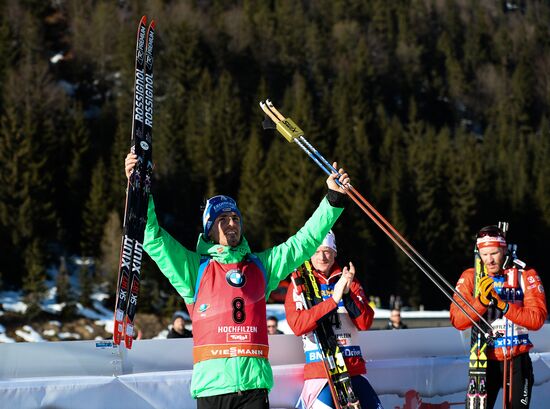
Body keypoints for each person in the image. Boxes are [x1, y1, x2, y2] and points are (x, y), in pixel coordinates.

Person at [125, 153, 350, 409]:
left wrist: (332, 200)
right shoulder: (193, 269)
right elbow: (153, 238)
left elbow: (304, 242)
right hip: (212, 388)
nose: (231, 223)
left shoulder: (260, 267)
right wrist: (138, 188)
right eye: (222, 220)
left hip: (253, 387)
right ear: (209, 228)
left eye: (235, 218)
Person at [450, 225, 547, 409]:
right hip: (485, 360)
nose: (489, 260)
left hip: (517, 359)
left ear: (504, 249)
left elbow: (537, 319)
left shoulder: (525, 274)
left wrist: (504, 306)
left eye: (494, 253)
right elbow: (457, 320)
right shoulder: (471, 277)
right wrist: (481, 303)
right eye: (484, 254)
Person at [284, 230, 383, 409]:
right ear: (308, 253)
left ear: (335, 253)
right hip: (320, 373)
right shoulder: (299, 284)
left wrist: (346, 295)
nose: (322, 257)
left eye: (327, 251)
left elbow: (365, 323)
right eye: (316, 251)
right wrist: (333, 301)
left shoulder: (349, 280)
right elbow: (298, 326)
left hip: (353, 370)